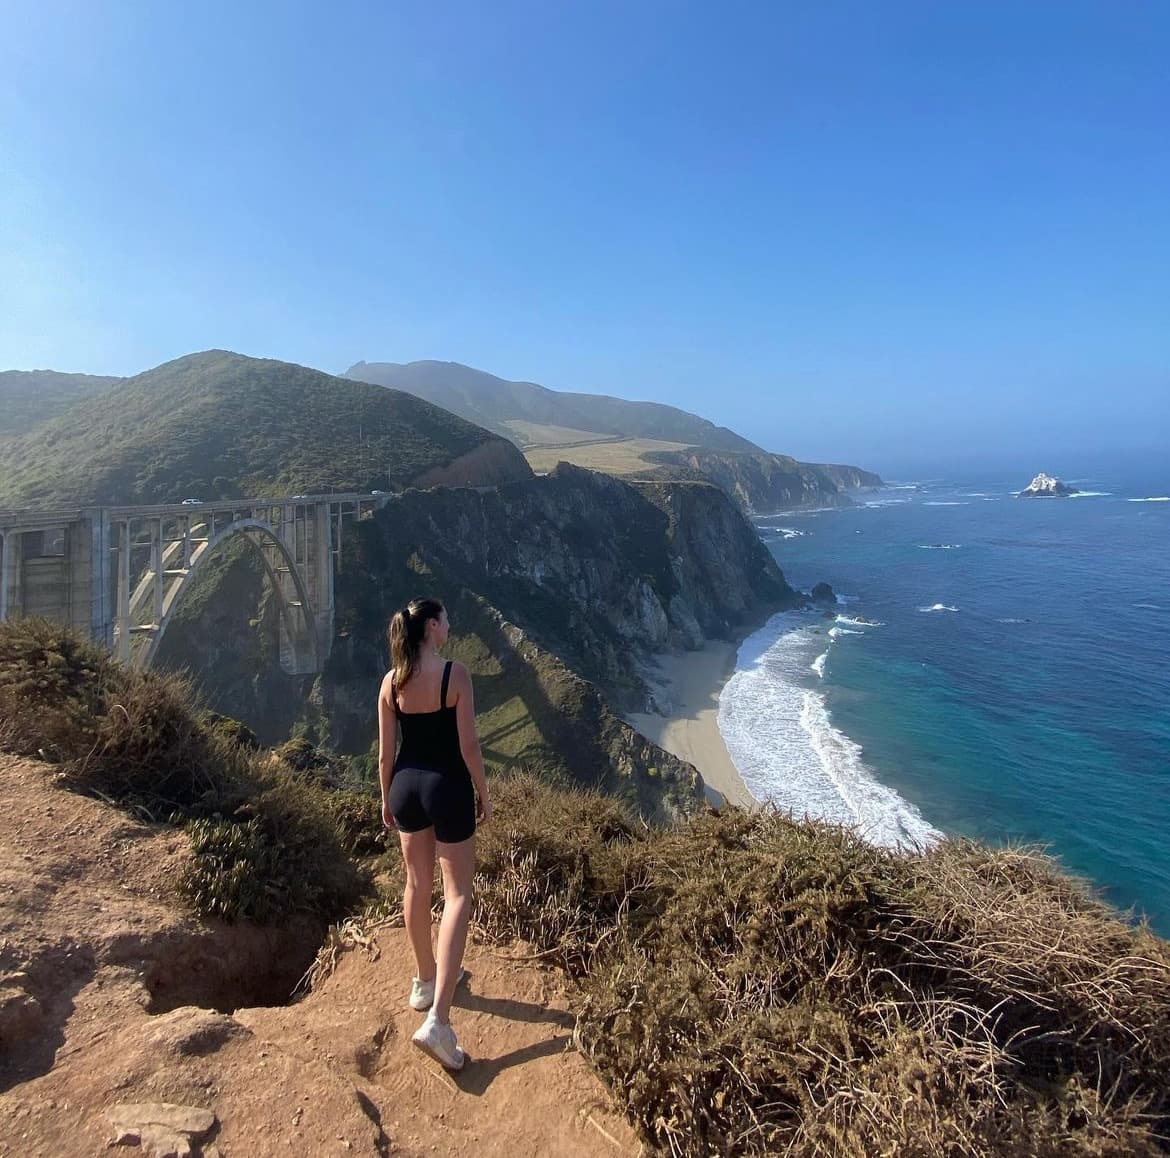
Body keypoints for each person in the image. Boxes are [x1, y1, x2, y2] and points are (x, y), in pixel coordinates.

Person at [378, 597, 492, 1071]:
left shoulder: (391, 682)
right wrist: (484, 792)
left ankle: (425, 980)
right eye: (444, 619)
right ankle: (439, 1022)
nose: (450, 625)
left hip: (405, 786)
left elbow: (385, 754)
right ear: (430, 626)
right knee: (458, 894)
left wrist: (385, 798)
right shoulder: (455, 675)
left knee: (416, 885)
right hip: (447, 787)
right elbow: (469, 745)